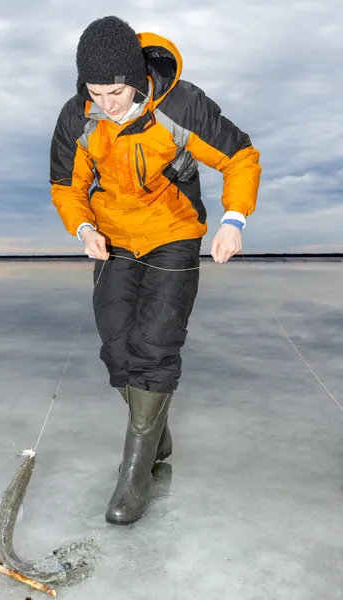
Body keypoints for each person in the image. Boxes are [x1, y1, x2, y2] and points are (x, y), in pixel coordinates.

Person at [50, 15, 261, 526]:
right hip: (113, 241)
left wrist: (233, 221)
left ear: (137, 77)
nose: (107, 105)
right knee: (115, 346)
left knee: (155, 344)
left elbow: (240, 156)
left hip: (173, 235)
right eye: (96, 94)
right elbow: (65, 184)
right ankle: (155, 433)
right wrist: (82, 230)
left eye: (116, 91)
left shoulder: (181, 104)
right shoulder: (78, 116)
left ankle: (133, 475)